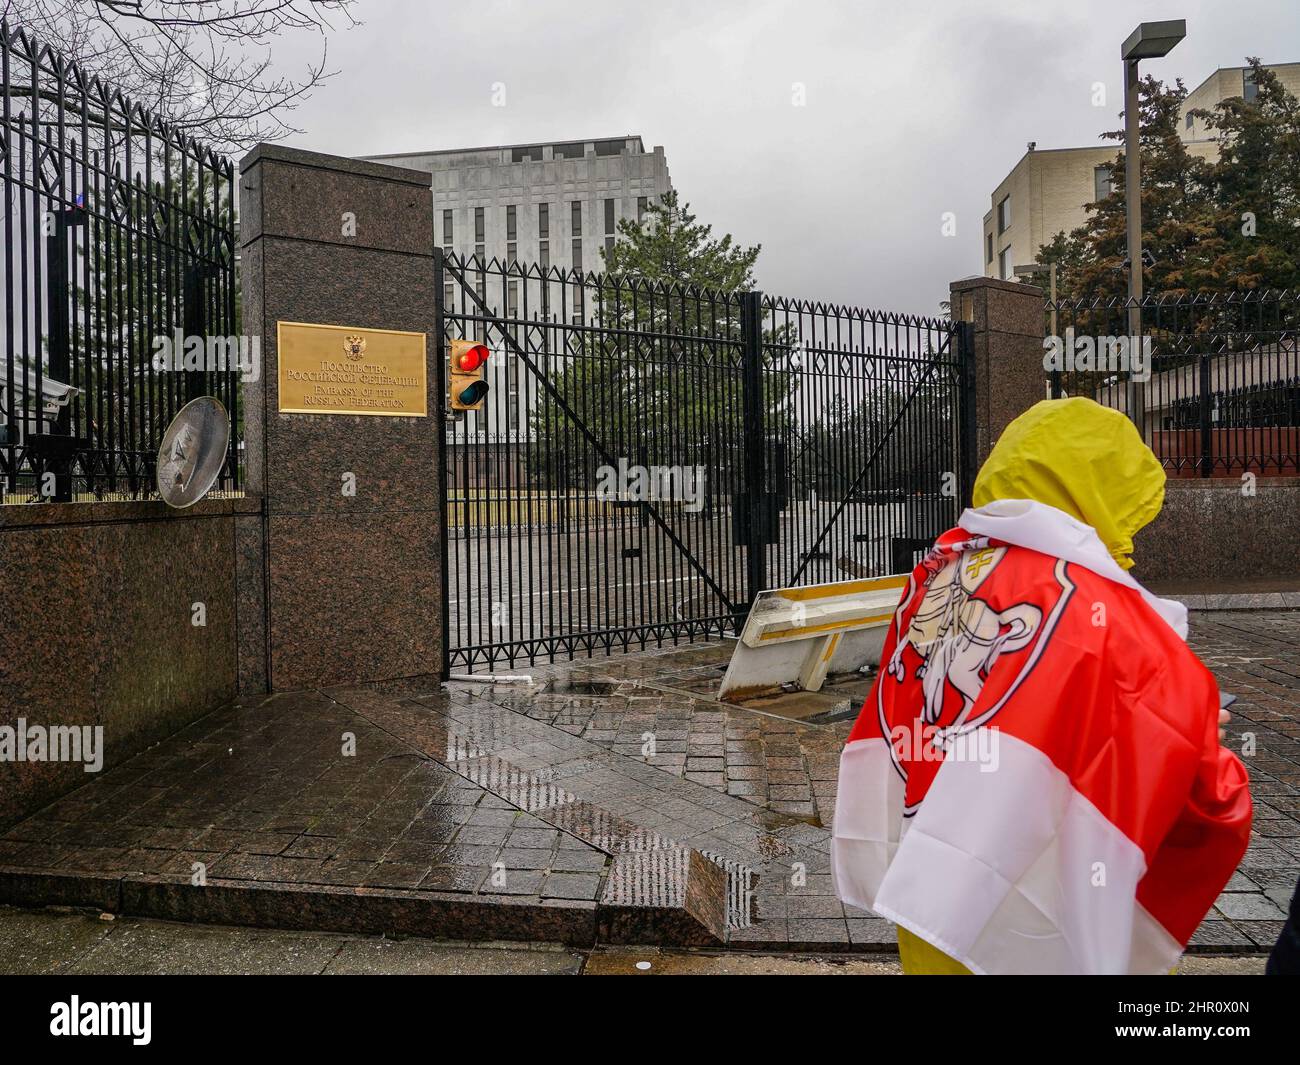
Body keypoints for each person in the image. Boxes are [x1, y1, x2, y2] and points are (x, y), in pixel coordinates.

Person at [831, 397, 1252, 975]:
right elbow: (1192, 779)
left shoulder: (942, 569)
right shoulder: (1099, 607)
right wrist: (1196, 724)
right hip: (1033, 904)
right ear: (1101, 489)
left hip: (934, 881)